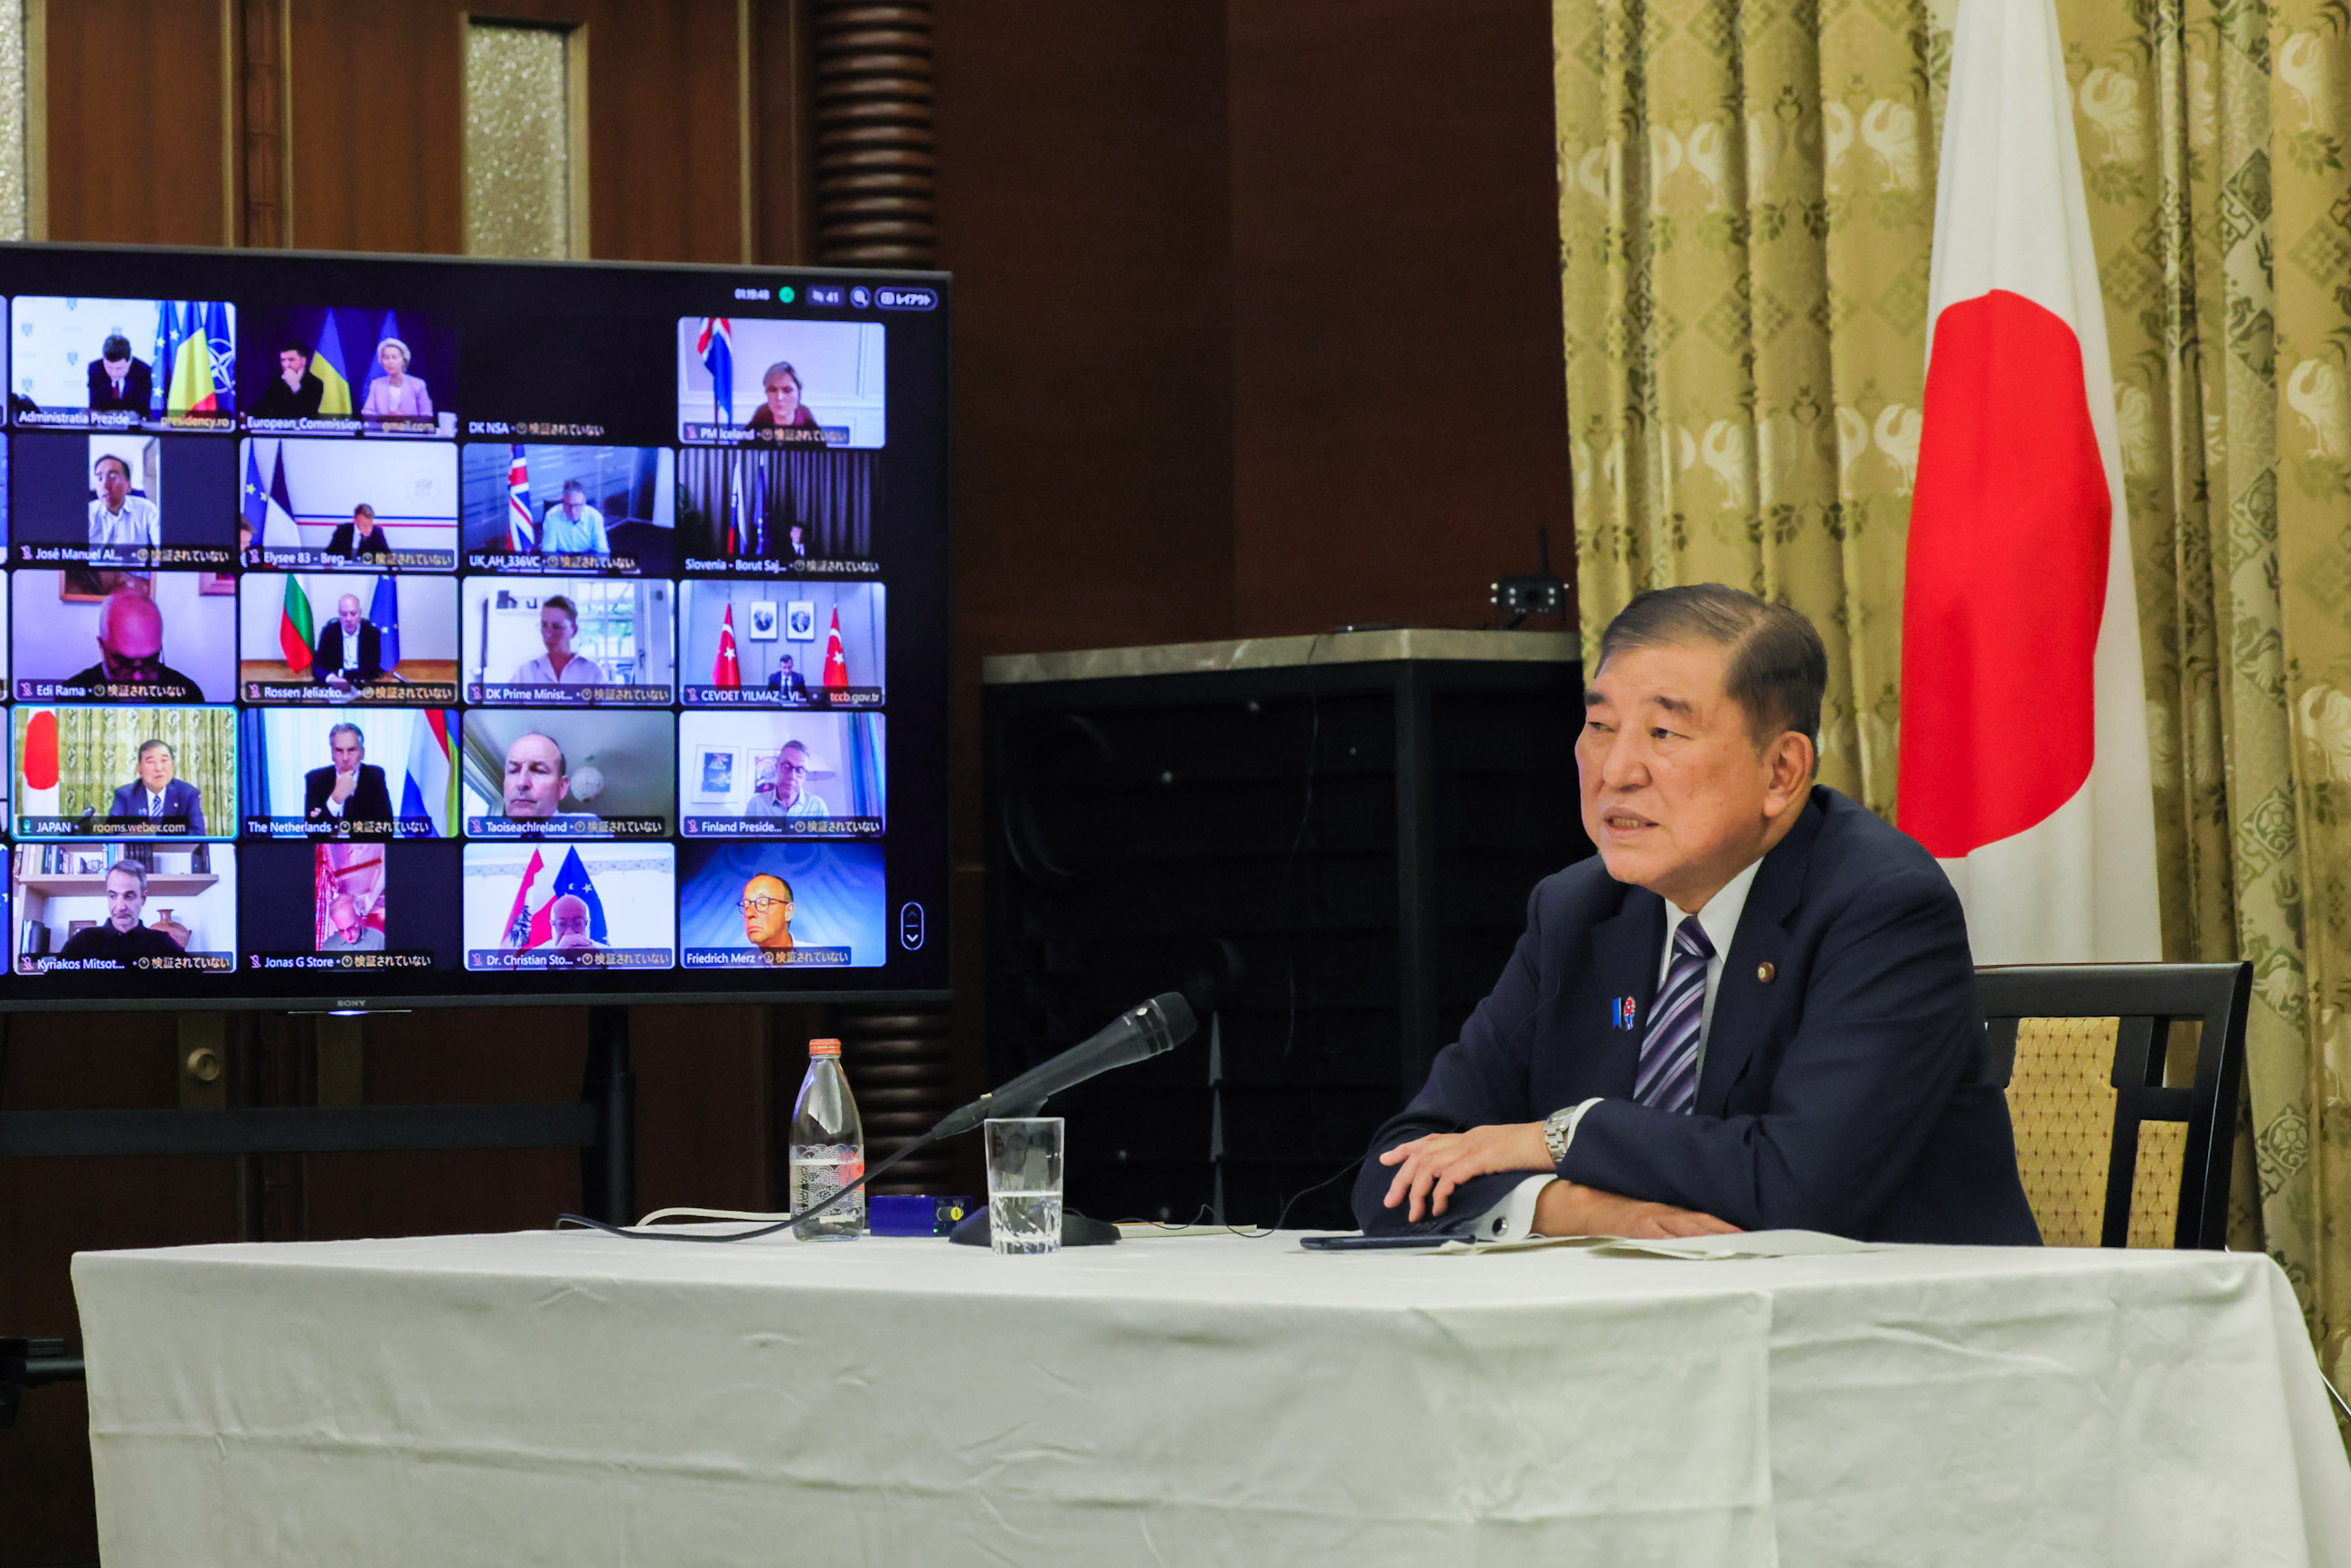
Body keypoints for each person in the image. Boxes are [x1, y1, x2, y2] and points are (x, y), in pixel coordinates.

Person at [1356, 584, 2040, 1246]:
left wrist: (1557, 1137)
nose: (1617, 769)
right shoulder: (1577, 910)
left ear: (1781, 773)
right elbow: (1398, 1169)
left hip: (1897, 1334)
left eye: (1663, 731)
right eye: (1599, 726)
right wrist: (1576, 1209)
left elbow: (1799, 1186)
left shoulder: (1881, 907)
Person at [59, 589, 204, 699]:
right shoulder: (71, 695)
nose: (138, 680)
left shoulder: (188, 694)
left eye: (149, 662)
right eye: (124, 664)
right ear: (102, 647)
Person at [55, 861, 184, 961]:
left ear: (143, 898)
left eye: (129, 896)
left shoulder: (162, 942)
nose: (120, 906)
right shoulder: (83, 941)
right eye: (113, 896)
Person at [500, 732, 600, 827]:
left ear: (561, 787)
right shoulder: (487, 834)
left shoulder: (587, 827)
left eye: (539, 771)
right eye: (513, 771)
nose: (521, 782)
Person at [107, 739, 206, 834]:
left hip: (176, 851)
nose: (159, 768)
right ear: (139, 768)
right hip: (137, 851)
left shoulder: (188, 794)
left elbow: (198, 834)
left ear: (172, 765)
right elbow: (111, 832)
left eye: (164, 760)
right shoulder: (125, 795)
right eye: (150, 762)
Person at [304, 723, 394, 826]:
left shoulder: (374, 776)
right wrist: (335, 799)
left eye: (351, 750)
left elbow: (386, 827)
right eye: (339, 751)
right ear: (332, 754)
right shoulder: (315, 779)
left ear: (362, 753)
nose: (345, 758)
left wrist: (349, 827)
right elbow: (312, 830)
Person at [508, 596, 606, 686]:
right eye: (544, 626)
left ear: (574, 630)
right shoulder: (524, 673)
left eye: (557, 627)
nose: (548, 634)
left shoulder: (592, 672)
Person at [86, 454, 162, 551]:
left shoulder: (147, 510)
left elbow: (165, 549)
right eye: (100, 478)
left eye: (113, 477)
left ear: (128, 486)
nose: (105, 485)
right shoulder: (88, 513)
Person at [743, 741, 829, 819]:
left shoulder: (818, 806)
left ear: (805, 776)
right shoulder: (756, 805)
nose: (792, 776)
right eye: (786, 766)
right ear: (777, 767)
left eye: (800, 770)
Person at [313, 594, 385, 687]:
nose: (349, 619)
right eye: (344, 614)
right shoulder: (329, 632)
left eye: (353, 613)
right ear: (339, 613)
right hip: (335, 686)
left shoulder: (371, 633)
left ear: (359, 612)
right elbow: (317, 667)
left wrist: (341, 674)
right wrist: (331, 678)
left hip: (364, 685)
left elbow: (372, 668)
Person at [360, 338, 432, 420]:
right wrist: (385, 417)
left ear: (403, 361)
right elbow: (367, 412)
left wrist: (407, 419)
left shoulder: (418, 385)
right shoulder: (376, 384)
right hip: (383, 430)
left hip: (411, 430)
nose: (390, 362)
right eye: (386, 358)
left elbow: (427, 415)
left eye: (394, 357)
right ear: (382, 362)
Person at [536, 480, 611, 557]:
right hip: (560, 560)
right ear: (562, 502)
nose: (572, 511)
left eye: (576, 505)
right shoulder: (551, 516)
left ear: (584, 502)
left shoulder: (595, 517)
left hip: (588, 560)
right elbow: (549, 551)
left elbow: (603, 552)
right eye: (568, 505)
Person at [86, 335, 153, 414]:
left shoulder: (143, 371)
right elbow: (95, 408)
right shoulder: (95, 369)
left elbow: (142, 410)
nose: (113, 373)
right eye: (109, 367)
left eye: (119, 368)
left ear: (130, 362)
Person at [255, 345, 326, 420]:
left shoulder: (315, 383)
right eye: (283, 360)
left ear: (303, 361)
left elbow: (308, 412)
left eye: (291, 360)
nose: (286, 365)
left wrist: (296, 387)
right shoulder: (275, 382)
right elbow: (266, 408)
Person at [746, 361, 818, 431]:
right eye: (773, 390)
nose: (779, 398)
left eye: (787, 390)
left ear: (798, 393)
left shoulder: (808, 423)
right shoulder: (760, 418)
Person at [741, 874, 794, 950]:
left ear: (788, 911)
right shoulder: (739, 962)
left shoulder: (815, 957)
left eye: (763, 903)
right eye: (746, 905)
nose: (749, 913)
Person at [325, 504, 393, 562]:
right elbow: (329, 554)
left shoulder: (377, 532)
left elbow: (388, 556)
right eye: (364, 525)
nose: (368, 529)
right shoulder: (342, 530)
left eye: (370, 525)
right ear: (355, 521)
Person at [318, 893, 385, 952]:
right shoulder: (328, 948)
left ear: (359, 917)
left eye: (351, 927)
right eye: (341, 930)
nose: (348, 936)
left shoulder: (379, 940)